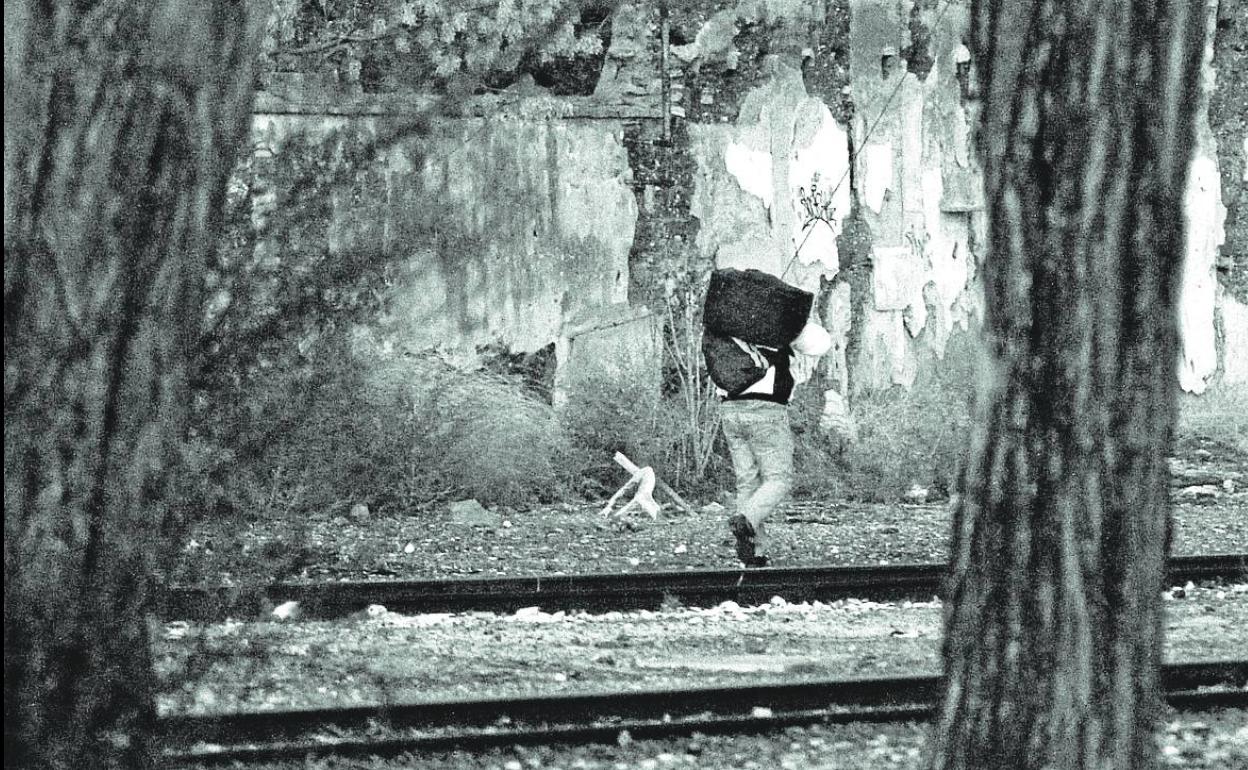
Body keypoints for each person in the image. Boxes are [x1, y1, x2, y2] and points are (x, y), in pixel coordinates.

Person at [718, 322, 830, 568]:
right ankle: (746, 521)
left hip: (729, 408)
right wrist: (797, 321)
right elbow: (820, 344)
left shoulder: (725, 317)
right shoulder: (774, 318)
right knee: (779, 478)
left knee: (748, 481)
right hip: (766, 409)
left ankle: (756, 551)